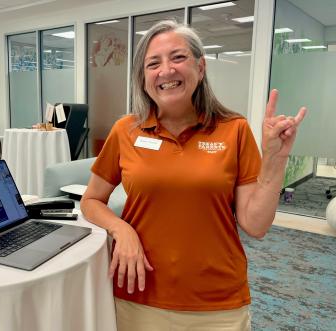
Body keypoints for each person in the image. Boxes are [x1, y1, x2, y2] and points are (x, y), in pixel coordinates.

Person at [80, 20, 306, 331]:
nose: (166, 70)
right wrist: (122, 230)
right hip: (139, 294)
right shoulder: (126, 131)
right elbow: (91, 200)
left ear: (200, 68)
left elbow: (255, 224)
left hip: (217, 302)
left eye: (178, 57)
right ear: (143, 79)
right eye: (153, 63)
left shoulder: (234, 129)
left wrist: (276, 159)